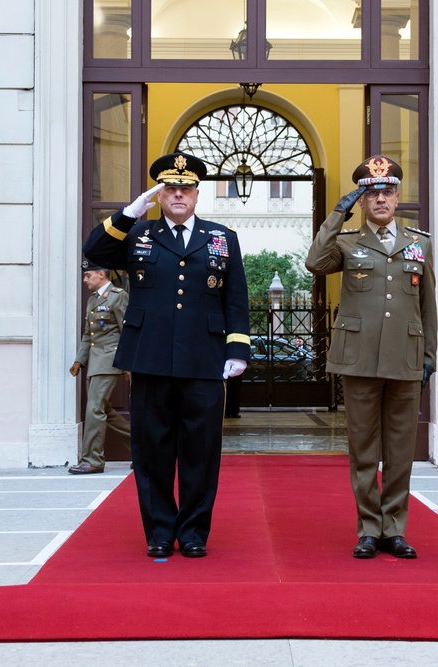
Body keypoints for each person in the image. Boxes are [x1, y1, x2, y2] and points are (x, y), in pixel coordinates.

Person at [83, 152, 251, 558]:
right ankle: (160, 531)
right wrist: (129, 213)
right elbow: (95, 251)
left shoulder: (221, 238)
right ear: (160, 196)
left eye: (186, 189)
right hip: (150, 356)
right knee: (152, 449)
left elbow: (236, 298)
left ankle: (193, 532)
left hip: (204, 358)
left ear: (197, 195)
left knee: (200, 450)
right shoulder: (138, 234)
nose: (179, 194)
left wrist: (237, 349)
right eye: (170, 188)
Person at [305, 155, 437, 560]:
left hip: (406, 357)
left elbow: (427, 304)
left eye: (387, 191)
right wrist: (336, 213)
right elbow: (314, 262)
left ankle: (394, 529)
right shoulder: (346, 242)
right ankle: (368, 528)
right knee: (364, 449)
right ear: (362, 202)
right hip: (359, 359)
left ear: (397, 198)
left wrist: (429, 354)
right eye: (372, 193)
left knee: (400, 449)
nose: (381, 199)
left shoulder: (420, 243)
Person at [68, 260, 131, 474]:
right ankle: (143, 448)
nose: (85, 280)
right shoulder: (93, 300)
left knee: (94, 408)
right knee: (104, 409)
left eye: (88, 276)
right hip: (94, 362)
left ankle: (93, 459)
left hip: (109, 361)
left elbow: (127, 331)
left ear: (101, 275)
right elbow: (89, 335)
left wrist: (128, 364)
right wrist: (79, 360)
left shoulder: (118, 296)